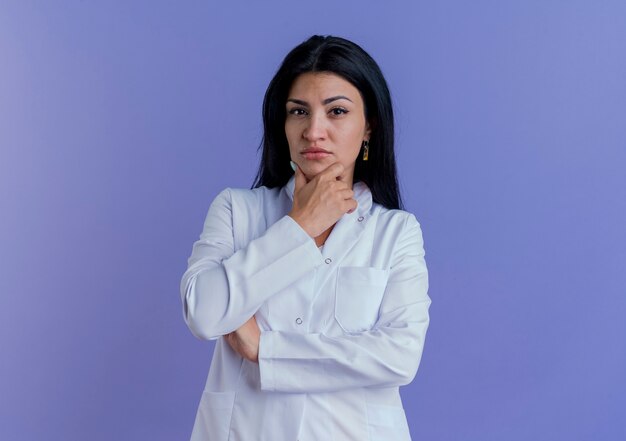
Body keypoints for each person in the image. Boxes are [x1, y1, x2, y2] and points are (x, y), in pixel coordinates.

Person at [180, 35, 431, 441]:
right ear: (282, 123)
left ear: (369, 127)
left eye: (336, 111)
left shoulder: (396, 232)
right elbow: (204, 314)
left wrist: (268, 351)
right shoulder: (236, 210)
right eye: (299, 111)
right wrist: (299, 225)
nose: (315, 131)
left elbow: (399, 357)